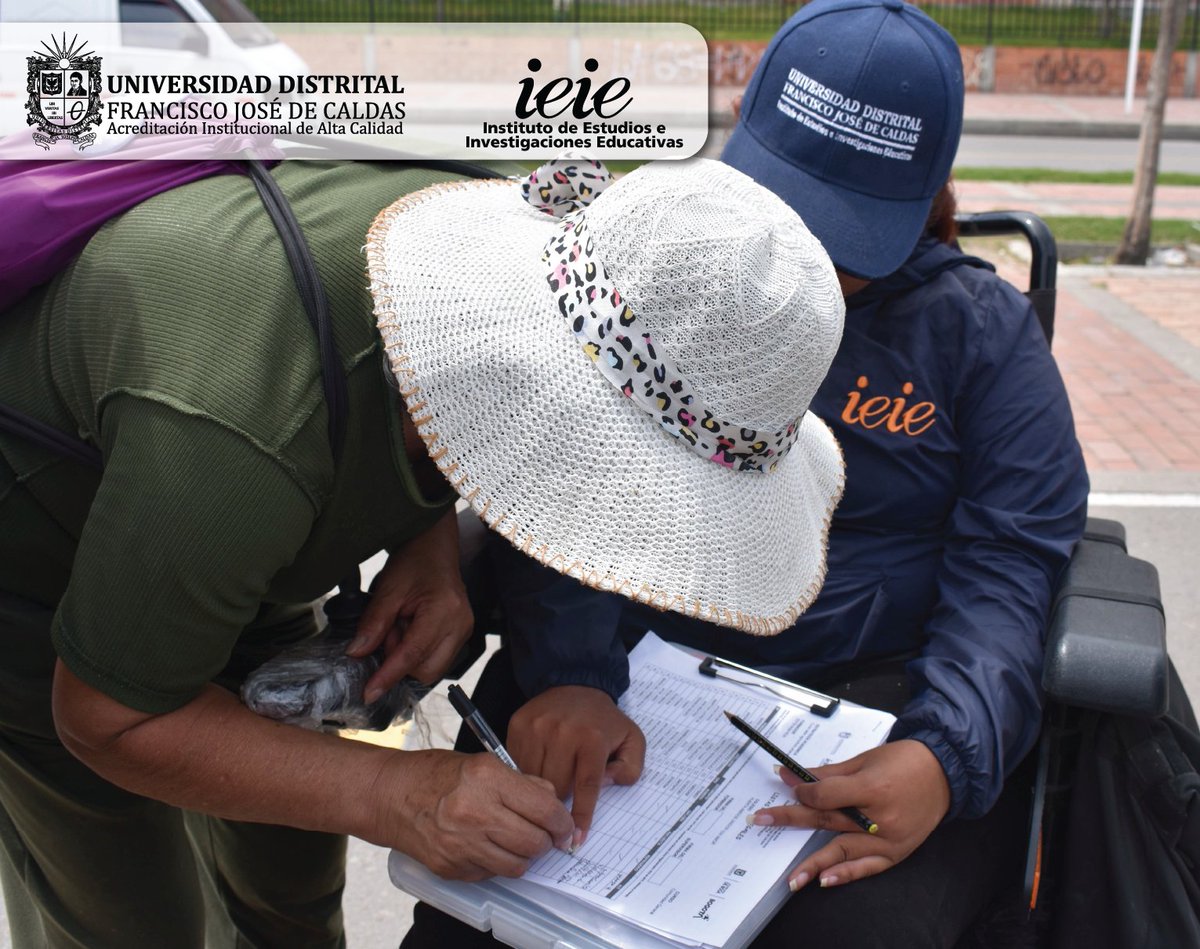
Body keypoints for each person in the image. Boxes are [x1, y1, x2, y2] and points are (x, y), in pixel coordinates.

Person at [0, 156, 846, 948]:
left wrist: (425, 536)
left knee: (287, 883)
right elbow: (108, 715)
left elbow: (423, 360)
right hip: (40, 579)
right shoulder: (242, 437)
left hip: (226, 526)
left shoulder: (491, 244)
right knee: (133, 917)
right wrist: (398, 795)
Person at [402, 1, 1089, 946]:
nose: (796, 262)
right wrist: (571, 672)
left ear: (923, 198)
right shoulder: (662, 248)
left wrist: (943, 752)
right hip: (635, 648)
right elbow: (567, 460)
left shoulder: (978, 334)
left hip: (867, 691)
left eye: (841, 242)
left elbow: (1012, 557)